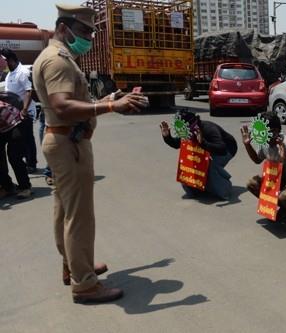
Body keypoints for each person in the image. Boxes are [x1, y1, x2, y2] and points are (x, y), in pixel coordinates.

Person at [32, 4, 148, 303]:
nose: (89, 38)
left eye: (91, 32)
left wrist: (110, 98)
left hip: (63, 141)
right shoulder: (58, 61)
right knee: (79, 216)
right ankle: (85, 285)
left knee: (64, 211)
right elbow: (63, 106)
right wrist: (109, 107)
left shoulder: (58, 57)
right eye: (84, 31)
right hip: (69, 145)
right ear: (63, 27)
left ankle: (74, 265)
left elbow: (73, 101)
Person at [160, 109, 237, 200]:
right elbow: (177, 144)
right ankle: (195, 189)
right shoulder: (186, 131)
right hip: (205, 147)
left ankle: (224, 190)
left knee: (209, 166)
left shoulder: (209, 128)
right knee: (188, 162)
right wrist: (167, 137)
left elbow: (221, 149)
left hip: (227, 149)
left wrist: (203, 143)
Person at [1, 48, 38, 173]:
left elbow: (29, 91)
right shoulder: (9, 74)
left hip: (24, 112)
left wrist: (24, 110)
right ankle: (25, 162)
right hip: (13, 114)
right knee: (20, 140)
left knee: (28, 138)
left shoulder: (23, 72)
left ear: (9, 60)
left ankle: (31, 163)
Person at [0, 94, 32, 199]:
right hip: (3, 127)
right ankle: (8, 187)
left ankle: (25, 187)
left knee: (14, 157)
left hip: (17, 124)